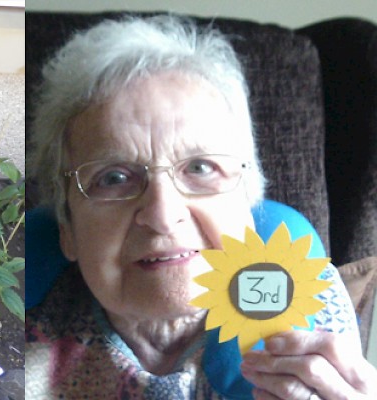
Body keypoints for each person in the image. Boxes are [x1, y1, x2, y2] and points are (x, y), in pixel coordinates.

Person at [25, 15, 376, 399]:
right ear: (67, 228)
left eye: (200, 167)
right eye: (114, 178)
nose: (162, 214)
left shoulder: (309, 305)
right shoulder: (11, 325)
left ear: (248, 199)